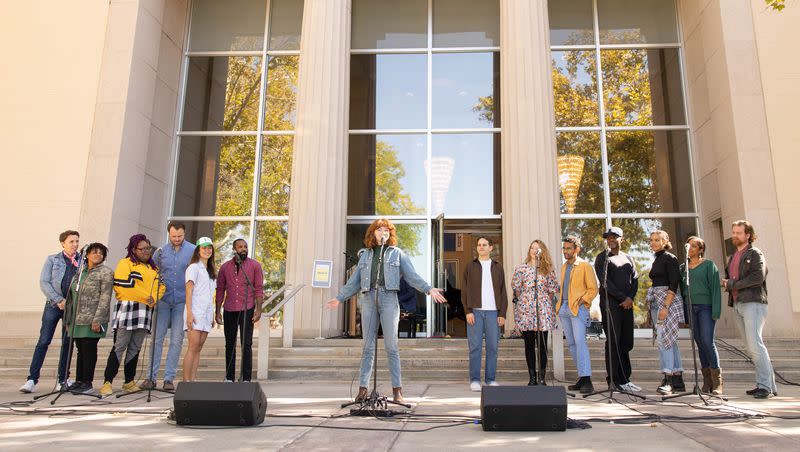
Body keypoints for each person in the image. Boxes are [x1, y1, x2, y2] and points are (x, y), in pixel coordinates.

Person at [328, 219, 446, 403]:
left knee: (391, 346)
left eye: (386, 230)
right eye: (379, 229)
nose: (383, 232)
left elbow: (411, 276)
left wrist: (428, 289)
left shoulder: (397, 254)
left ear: (390, 234)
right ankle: (363, 389)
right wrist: (339, 297)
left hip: (389, 299)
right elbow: (355, 282)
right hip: (368, 299)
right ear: (373, 233)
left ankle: (397, 390)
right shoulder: (365, 255)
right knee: (367, 347)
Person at [99, 234, 165, 397]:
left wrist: (154, 298)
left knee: (135, 348)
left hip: (145, 311)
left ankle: (129, 381)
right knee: (119, 346)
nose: (146, 252)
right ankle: (107, 382)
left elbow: (161, 286)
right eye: (142, 249)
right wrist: (146, 296)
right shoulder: (125, 263)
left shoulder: (153, 268)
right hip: (127, 310)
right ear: (134, 249)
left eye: (148, 248)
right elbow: (123, 286)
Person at [20, 230, 81, 393]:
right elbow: (44, 282)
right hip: (53, 306)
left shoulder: (82, 261)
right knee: (44, 341)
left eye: (77, 241)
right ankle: (32, 379)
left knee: (68, 343)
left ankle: (63, 379)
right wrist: (58, 300)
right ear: (63, 243)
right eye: (71, 241)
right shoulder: (53, 260)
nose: (75, 245)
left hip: (72, 308)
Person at [722, 220, 777, 399]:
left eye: (739, 232)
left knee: (755, 344)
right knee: (750, 345)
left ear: (748, 235)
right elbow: (730, 278)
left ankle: (765, 386)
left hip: (753, 302)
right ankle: (769, 385)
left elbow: (757, 277)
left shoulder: (754, 253)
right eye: (734, 232)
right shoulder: (733, 257)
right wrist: (726, 282)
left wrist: (732, 284)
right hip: (738, 303)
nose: (735, 235)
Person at [144, 221, 195, 391]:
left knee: (176, 341)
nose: (177, 239)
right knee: (157, 340)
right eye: (173, 236)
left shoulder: (193, 250)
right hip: (163, 301)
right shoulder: (160, 252)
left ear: (184, 233)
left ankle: (168, 379)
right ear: (169, 234)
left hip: (182, 301)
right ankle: (150, 378)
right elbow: (152, 274)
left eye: (180, 236)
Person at [594, 227, 641, 392]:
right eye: (608, 237)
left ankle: (625, 379)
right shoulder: (602, 258)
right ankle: (612, 380)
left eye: (614, 237)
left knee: (626, 342)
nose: (611, 239)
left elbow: (635, 280)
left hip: (627, 306)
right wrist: (623, 298)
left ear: (622, 239)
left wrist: (630, 298)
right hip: (611, 306)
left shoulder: (628, 257)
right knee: (613, 341)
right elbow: (605, 282)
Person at [64, 243, 113, 394]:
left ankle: (88, 381)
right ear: (87, 254)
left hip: (93, 318)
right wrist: (68, 319)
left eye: (101, 253)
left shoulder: (105, 272)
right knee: (80, 350)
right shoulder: (80, 272)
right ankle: (79, 380)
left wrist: (97, 319)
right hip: (77, 319)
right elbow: (72, 297)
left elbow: (105, 297)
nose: (98, 255)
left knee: (89, 349)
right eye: (94, 252)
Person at [215, 238, 264, 383]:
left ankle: (246, 378)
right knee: (230, 344)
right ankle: (229, 377)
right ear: (234, 249)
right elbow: (220, 290)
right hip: (229, 309)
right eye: (240, 247)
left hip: (247, 308)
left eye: (245, 247)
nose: (244, 249)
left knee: (246, 344)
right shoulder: (225, 267)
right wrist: (217, 311)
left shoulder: (255, 266)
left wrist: (258, 310)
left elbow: (259, 289)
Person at [463, 237, 508, 391]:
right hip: (475, 311)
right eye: (479, 245)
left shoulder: (497, 267)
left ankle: (490, 380)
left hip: (493, 313)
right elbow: (465, 291)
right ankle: (475, 380)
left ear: (490, 248)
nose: (481, 247)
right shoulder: (470, 266)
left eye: (484, 245)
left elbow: (503, 291)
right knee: (475, 347)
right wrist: (468, 311)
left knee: (492, 347)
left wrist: (502, 313)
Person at [512, 240, 559, 386]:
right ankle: (532, 377)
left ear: (542, 251)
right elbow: (517, 289)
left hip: (542, 310)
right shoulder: (521, 268)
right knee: (529, 345)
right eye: (532, 248)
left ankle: (542, 377)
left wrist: (543, 304)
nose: (534, 250)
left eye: (537, 248)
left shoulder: (548, 269)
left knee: (542, 345)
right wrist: (525, 303)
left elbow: (552, 291)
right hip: (526, 310)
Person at [680, 236, 723, 395]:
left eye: (694, 246)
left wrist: (716, 311)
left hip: (706, 307)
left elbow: (715, 290)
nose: (690, 248)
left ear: (700, 250)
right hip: (691, 308)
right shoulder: (683, 268)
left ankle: (717, 380)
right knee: (699, 342)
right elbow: (683, 292)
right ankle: (707, 381)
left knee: (707, 340)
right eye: (688, 245)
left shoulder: (709, 265)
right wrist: (684, 315)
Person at [557, 236, 598, 394]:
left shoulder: (584, 266)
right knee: (572, 344)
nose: (566, 251)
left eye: (569, 248)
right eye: (564, 248)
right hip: (564, 309)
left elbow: (593, 288)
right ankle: (582, 377)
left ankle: (587, 380)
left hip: (578, 309)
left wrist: (583, 301)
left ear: (576, 249)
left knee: (580, 343)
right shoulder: (563, 267)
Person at [646, 230, 685, 395]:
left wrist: (665, 307)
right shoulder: (657, 258)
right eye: (652, 240)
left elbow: (674, 283)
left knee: (664, 340)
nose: (653, 242)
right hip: (657, 301)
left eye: (657, 240)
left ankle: (667, 377)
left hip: (666, 302)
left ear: (665, 241)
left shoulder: (670, 258)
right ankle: (677, 378)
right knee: (670, 340)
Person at [182, 237, 217, 382]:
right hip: (195, 312)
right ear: (198, 250)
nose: (207, 250)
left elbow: (211, 295)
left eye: (209, 248)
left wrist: (213, 313)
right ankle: (186, 381)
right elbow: (188, 291)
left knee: (198, 349)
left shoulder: (212, 271)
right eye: (204, 248)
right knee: (192, 347)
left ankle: (193, 380)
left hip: (207, 313)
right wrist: (189, 313)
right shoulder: (193, 268)